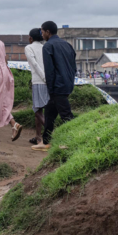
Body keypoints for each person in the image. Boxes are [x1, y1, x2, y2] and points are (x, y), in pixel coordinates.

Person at [36, 21, 77, 151]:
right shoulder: (67, 45)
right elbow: (74, 67)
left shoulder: (48, 46)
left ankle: (77, 140)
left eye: (42, 31)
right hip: (67, 83)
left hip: (57, 86)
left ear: (48, 32)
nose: (41, 34)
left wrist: (50, 89)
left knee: (66, 115)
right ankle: (46, 141)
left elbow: (49, 71)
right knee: (49, 113)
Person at [25, 28, 49, 146]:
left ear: (30, 38)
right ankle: (38, 136)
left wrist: (43, 78)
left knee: (37, 110)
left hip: (39, 81)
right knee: (41, 109)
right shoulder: (45, 47)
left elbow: (34, 64)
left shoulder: (29, 48)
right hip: (48, 81)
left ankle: (53, 133)